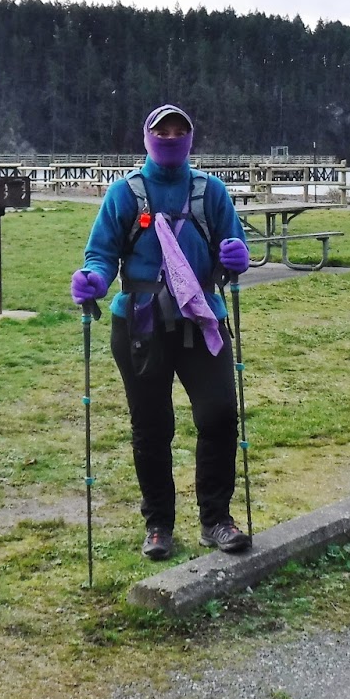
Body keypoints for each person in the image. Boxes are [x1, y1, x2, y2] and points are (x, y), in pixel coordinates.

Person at [71, 104, 254, 561]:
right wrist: (92, 278)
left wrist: (236, 255)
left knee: (218, 416)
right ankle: (158, 526)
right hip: (139, 323)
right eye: (162, 130)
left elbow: (233, 246)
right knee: (152, 428)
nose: (171, 138)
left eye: (180, 131)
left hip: (201, 320)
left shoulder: (211, 191)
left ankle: (217, 521)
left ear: (190, 139)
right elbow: (100, 254)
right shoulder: (124, 194)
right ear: (147, 136)